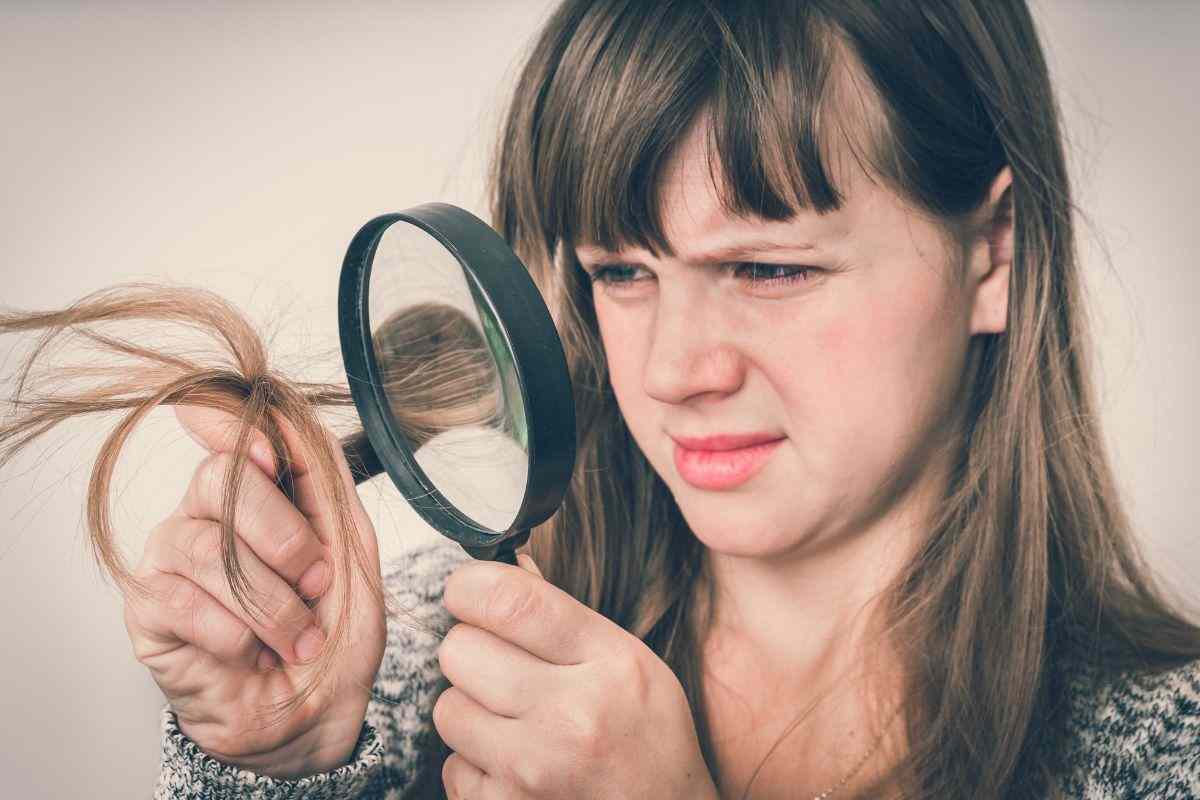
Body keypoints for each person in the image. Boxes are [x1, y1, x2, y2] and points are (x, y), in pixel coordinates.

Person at [2, 1, 1197, 798]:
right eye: (621, 271)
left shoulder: (1165, 752)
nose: (676, 368)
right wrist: (281, 762)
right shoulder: (419, 669)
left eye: (770, 267)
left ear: (991, 253)